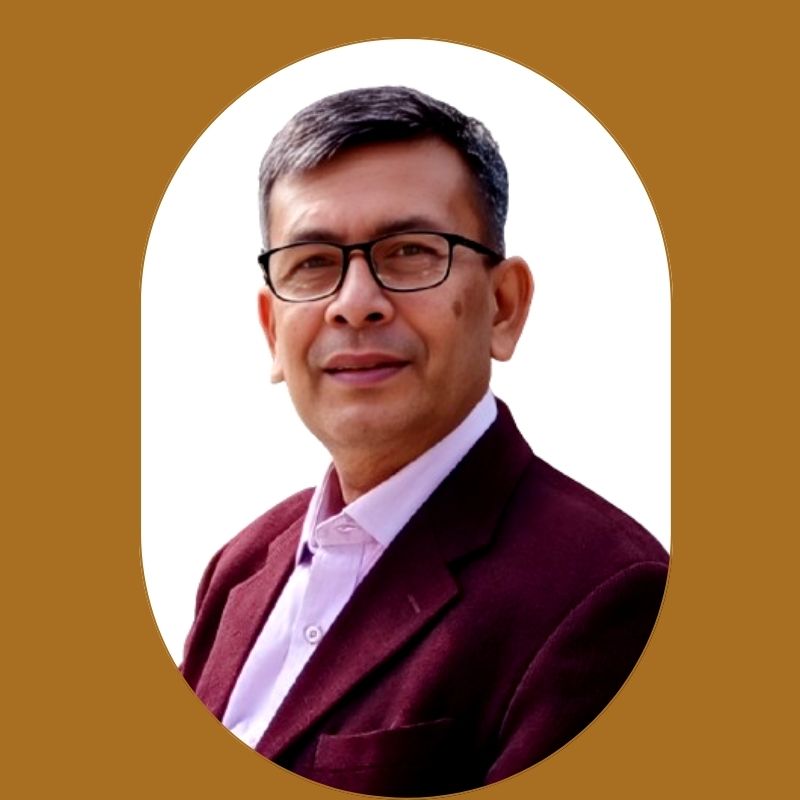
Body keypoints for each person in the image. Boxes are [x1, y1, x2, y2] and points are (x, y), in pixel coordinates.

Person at [180, 86, 669, 796]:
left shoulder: (605, 595)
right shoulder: (240, 568)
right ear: (272, 329)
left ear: (503, 307)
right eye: (312, 263)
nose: (355, 304)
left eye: (410, 252)